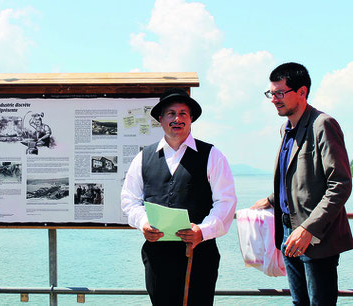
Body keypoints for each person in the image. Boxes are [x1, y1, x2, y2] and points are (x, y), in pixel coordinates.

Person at [121, 88, 237, 305]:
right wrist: (144, 223)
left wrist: (203, 231)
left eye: (183, 113)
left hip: (199, 255)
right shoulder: (143, 157)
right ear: (160, 119)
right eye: (171, 113)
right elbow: (130, 199)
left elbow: (226, 201)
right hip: (157, 256)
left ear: (191, 119)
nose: (177, 119)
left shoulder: (212, 155)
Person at [252, 62, 353, 305]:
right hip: (288, 231)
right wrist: (271, 200)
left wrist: (308, 229)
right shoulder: (286, 129)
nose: (274, 99)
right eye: (271, 93)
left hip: (316, 235)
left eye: (280, 93)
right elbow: (297, 179)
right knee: (300, 303)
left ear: (302, 92)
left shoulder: (322, 125)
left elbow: (340, 183)